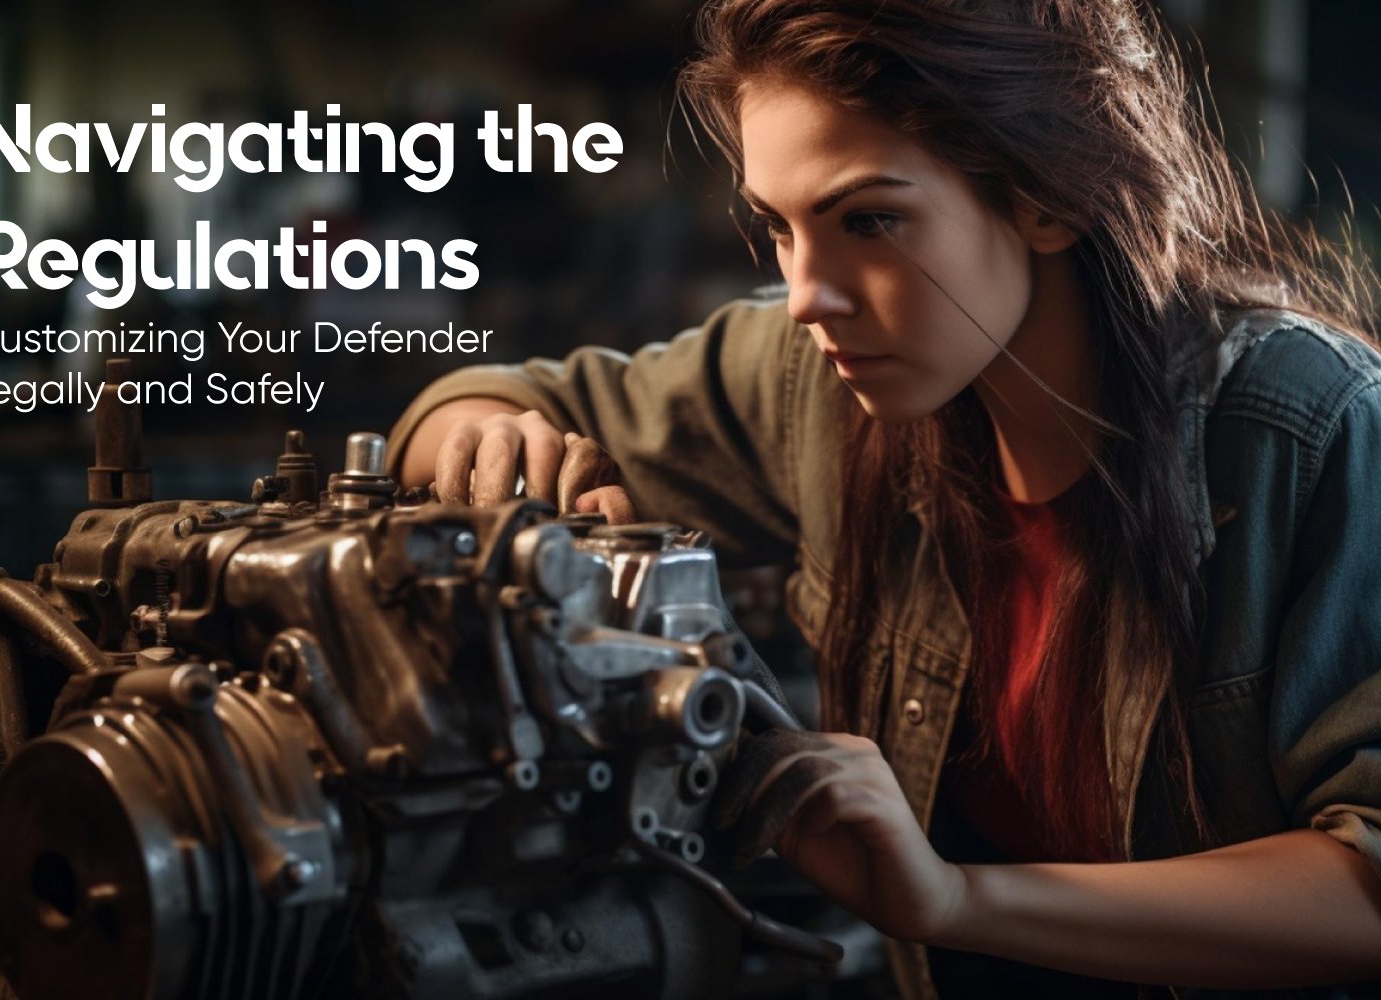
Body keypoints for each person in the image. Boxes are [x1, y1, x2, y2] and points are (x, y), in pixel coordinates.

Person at [386, 0, 1381, 995]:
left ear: (1047, 194)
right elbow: (497, 398)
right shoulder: (815, 378)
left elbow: (1365, 882)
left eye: (869, 220)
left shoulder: (1312, 432)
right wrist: (491, 440)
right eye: (779, 226)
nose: (810, 293)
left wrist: (956, 901)